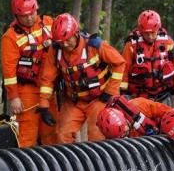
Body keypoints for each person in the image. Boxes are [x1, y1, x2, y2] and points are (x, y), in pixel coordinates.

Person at [0, 0, 58, 147]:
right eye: (24, 16)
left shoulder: (49, 22)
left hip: (50, 89)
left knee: (51, 131)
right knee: (27, 134)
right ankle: (26, 168)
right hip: (26, 92)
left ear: (37, 9)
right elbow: (9, 72)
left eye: (32, 13)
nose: (29, 18)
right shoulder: (10, 37)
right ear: (16, 16)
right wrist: (14, 97)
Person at [38, 13, 125, 143]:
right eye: (61, 42)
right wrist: (44, 105)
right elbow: (47, 78)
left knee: (98, 135)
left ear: (76, 33)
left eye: (67, 39)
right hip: (74, 101)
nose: (65, 44)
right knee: (62, 134)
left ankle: (98, 162)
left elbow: (119, 63)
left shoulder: (94, 45)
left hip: (99, 99)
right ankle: (70, 162)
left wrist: (110, 92)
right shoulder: (56, 50)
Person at [120, 10, 174, 105]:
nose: (150, 36)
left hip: (163, 95)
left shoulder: (168, 42)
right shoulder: (131, 45)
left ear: (158, 29)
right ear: (141, 31)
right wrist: (123, 92)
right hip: (139, 97)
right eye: (146, 33)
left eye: (153, 33)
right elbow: (124, 69)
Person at [96, 95, 172, 139]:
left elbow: (170, 113)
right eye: (121, 134)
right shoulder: (110, 133)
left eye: (124, 126)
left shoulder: (140, 105)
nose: (125, 130)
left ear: (123, 117)